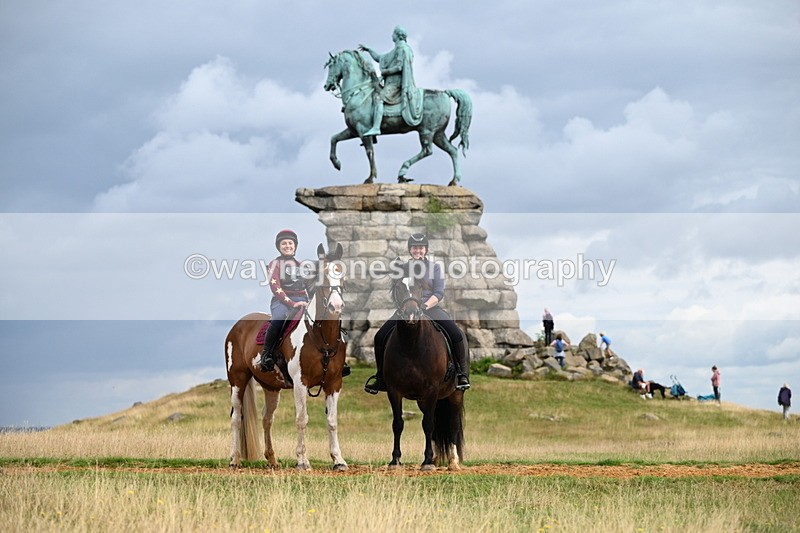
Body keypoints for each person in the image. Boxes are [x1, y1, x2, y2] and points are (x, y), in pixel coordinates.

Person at [365, 233, 470, 394]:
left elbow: (439, 293)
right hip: (406, 309)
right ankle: (381, 377)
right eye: (414, 248)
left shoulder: (434, 268)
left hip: (430, 308)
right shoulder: (403, 268)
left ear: (426, 250)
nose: (418, 251)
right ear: (410, 249)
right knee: (380, 336)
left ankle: (461, 374)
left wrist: (424, 306)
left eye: (421, 248)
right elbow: (397, 290)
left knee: (456, 334)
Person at [258, 229, 310, 373]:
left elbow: (310, 287)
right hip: (282, 301)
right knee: (279, 319)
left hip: (303, 300)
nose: (287, 245)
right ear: (279, 247)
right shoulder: (274, 264)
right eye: (284, 243)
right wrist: (293, 304)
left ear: (295, 246)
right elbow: (276, 288)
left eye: (290, 243)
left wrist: (311, 301)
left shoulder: (302, 266)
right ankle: (266, 354)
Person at [358, 26, 422, 136]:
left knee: (378, 98)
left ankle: (376, 127)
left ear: (397, 35)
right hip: (390, 83)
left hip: (396, 84)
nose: (391, 35)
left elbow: (399, 67)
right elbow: (380, 58)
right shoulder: (396, 49)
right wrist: (369, 50)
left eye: (393, 33)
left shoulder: (402, 49)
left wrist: (385, 72)